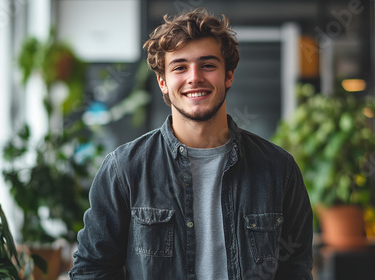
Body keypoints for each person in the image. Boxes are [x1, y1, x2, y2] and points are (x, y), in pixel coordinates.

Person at [69, 9, 313, 280]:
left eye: (207, 65)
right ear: (163, 82)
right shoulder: (124, 170)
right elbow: (90, 271)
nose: (194, 77)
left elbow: (296, 272)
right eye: (180, 67)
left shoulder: (279, 170)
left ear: (228, 75)